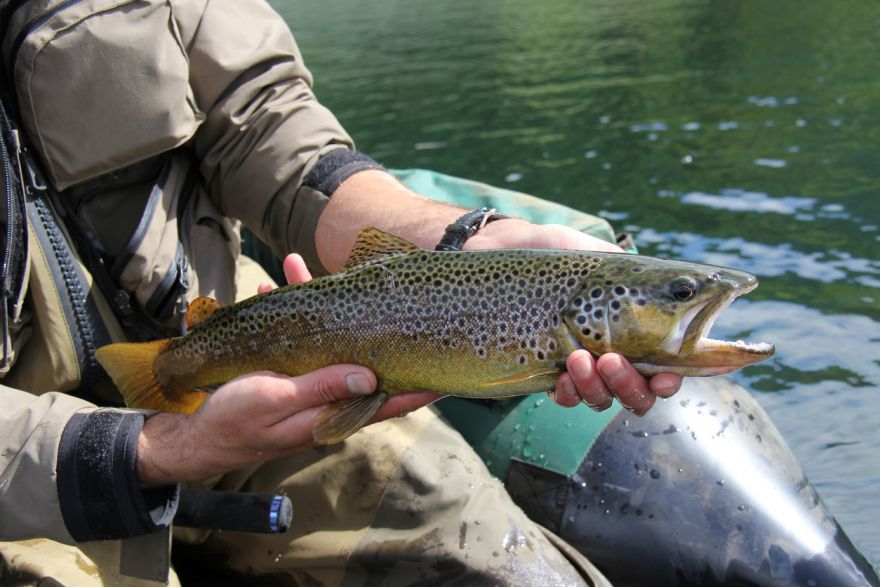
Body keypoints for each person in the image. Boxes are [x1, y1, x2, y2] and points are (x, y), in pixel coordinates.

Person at [0, 0, 681, 584]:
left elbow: (260, 119)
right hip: (26, 464)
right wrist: (158, 450)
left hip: (242, 349)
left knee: (491, 548)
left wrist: (451, 239)